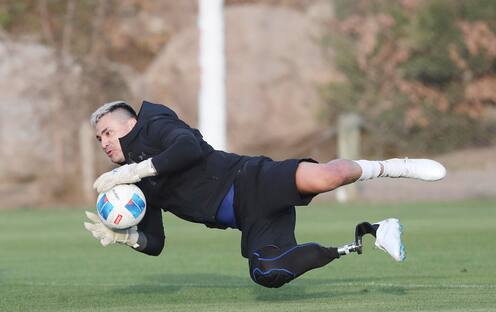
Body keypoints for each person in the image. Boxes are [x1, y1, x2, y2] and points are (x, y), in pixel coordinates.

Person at [84, 101, 447, 288]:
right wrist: (127, 236)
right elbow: (157, 242)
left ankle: (396, 166)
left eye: (106, 132)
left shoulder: (154, 121)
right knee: (269, 273)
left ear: (129, 123)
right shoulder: (131, 186)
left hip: (250, 179)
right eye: (98, 138)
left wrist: (134, 169)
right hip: (250, 219)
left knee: (326, 177)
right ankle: (365, 235)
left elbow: (188, 149)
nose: (103, 142)